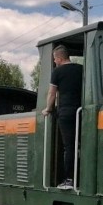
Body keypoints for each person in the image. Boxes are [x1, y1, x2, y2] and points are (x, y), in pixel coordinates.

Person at [41, 44, 83, 189]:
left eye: (54, 59)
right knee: (81, 145)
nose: (54, 62)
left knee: (69, 147)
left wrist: (47, 109)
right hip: (81, 112)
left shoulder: (58, 72)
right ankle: (81, 177)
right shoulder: (81, 69)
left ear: (59, 58)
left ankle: (69, 179)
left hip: (66, 113)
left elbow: (52, 93)